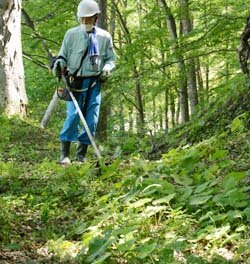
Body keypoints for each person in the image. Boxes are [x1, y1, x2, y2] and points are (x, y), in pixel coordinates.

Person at [53, 0, 116, 164]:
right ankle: (65, 154)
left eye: (88, 19)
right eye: (82, 19)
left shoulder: (104, 37)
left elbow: (111, 59)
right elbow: (62, 56)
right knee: (73, 115)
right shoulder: (71, 34)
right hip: (74, 83)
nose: (85, 22)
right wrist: (59, 63)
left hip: (95, 83)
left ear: (96, 18)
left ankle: (81, 156)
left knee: (91, 119)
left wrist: (108, 68)